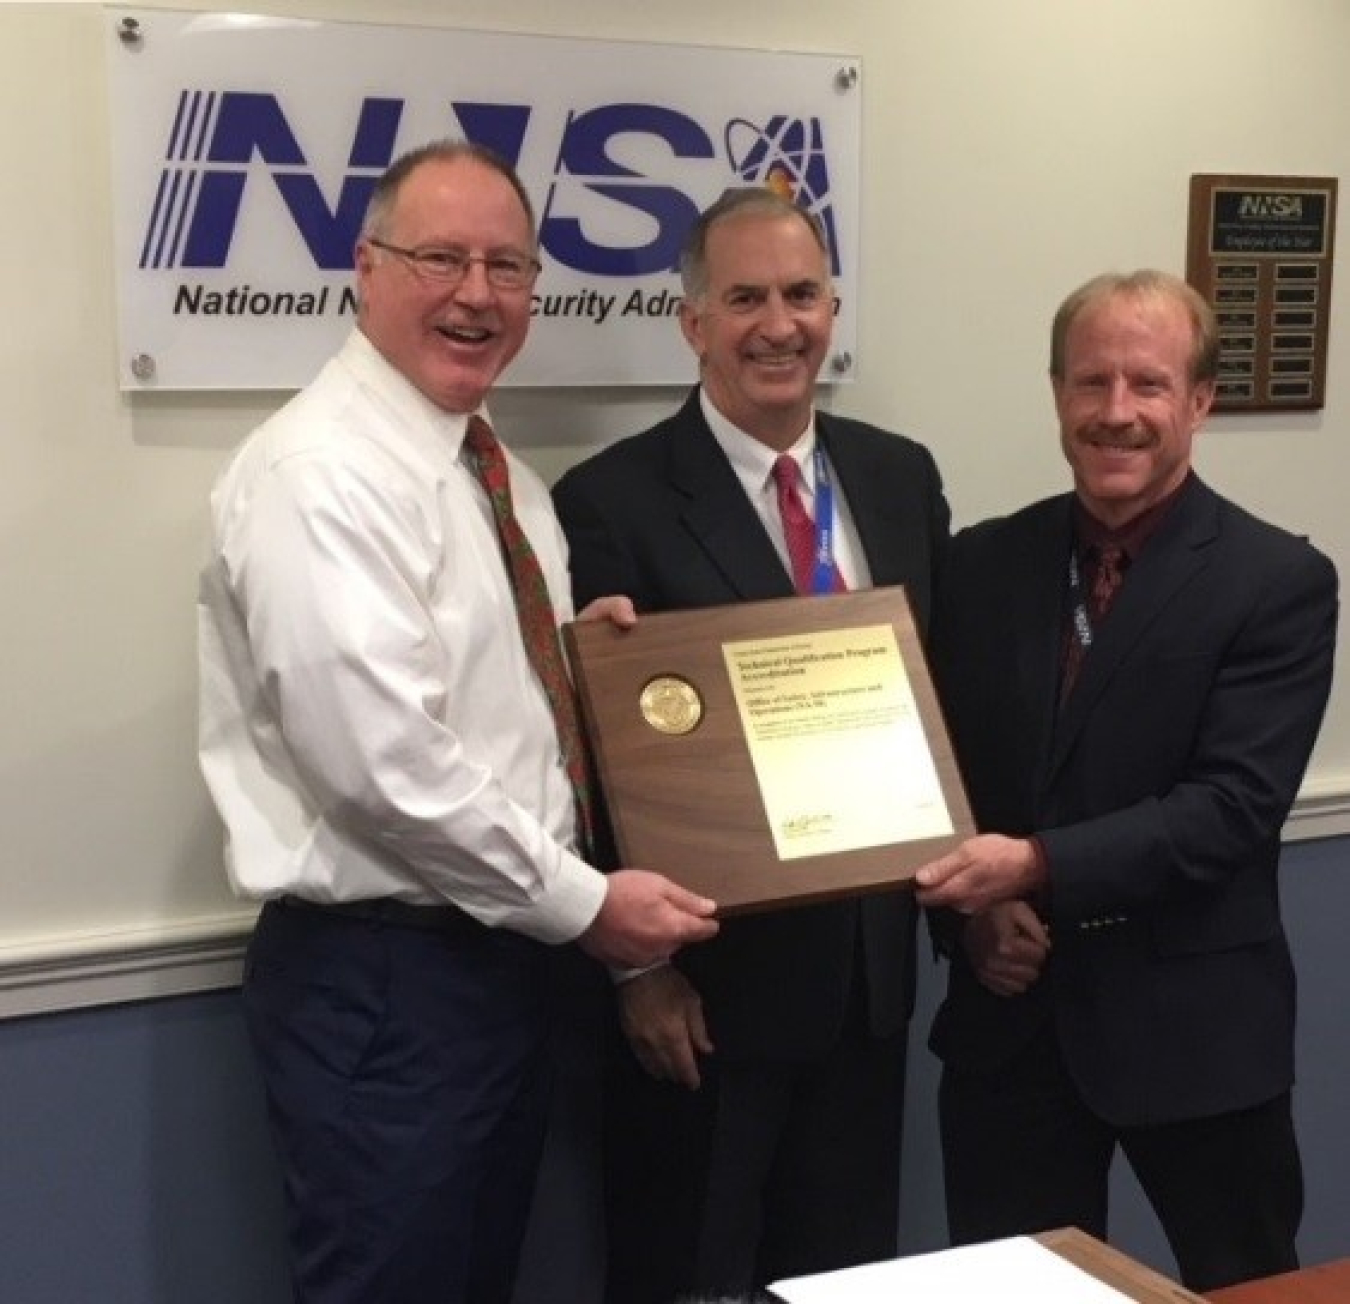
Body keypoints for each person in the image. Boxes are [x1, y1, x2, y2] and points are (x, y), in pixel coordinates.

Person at [197, 140, 718, 1304]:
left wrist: (587, 662)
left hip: (496, 967)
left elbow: (479, 698)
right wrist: (592, 907)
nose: (477, 295)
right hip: (390, 981)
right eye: (441, 258)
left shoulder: (496, 476)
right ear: (364, 266)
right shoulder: (321, 473)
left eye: (508, 266)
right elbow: (383, 766)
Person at [553, 187, 951, 1301]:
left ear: (833, 307)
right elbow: (579, 768)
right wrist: (639, 969)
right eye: (744, 299)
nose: (779, 325)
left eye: (802, 294)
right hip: (705, 1003)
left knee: (844, 1280)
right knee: (684, 1276)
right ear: (692, 323)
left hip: (869, 988)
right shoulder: (609, 503)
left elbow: (940, 699)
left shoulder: (897, 476)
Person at [914, 269, 1338, 1291]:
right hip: (1011, 1024)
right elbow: (939, 773)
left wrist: (1034, 867)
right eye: (1090, 381)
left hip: (1197, 1029)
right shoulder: (980, 564)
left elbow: (1229, 811)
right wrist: (968, 918)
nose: (1116, 413)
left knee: (1249, 1284)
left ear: (1199, 400)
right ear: (1056, 391)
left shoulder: (1277, 581)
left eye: (1148, 384)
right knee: (1008, 1290)